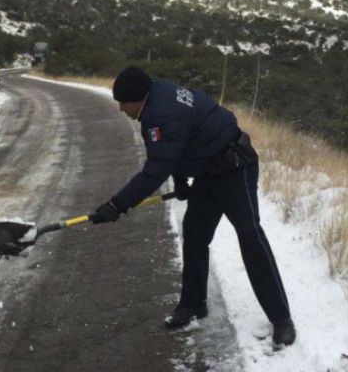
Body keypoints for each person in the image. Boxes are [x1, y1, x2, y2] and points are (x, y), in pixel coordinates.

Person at [90, 66, 296, 347]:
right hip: (209, 170)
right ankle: (193, 304)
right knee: (195, 234)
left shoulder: (159, 115)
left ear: (139, 98)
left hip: (235, 167)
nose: (121, 109)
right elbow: (179, 145)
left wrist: (117, 205)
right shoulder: (158, 89)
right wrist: (182, 179)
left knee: (250, 237)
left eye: (124, 103)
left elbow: (154, 171)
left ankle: (281, 319)